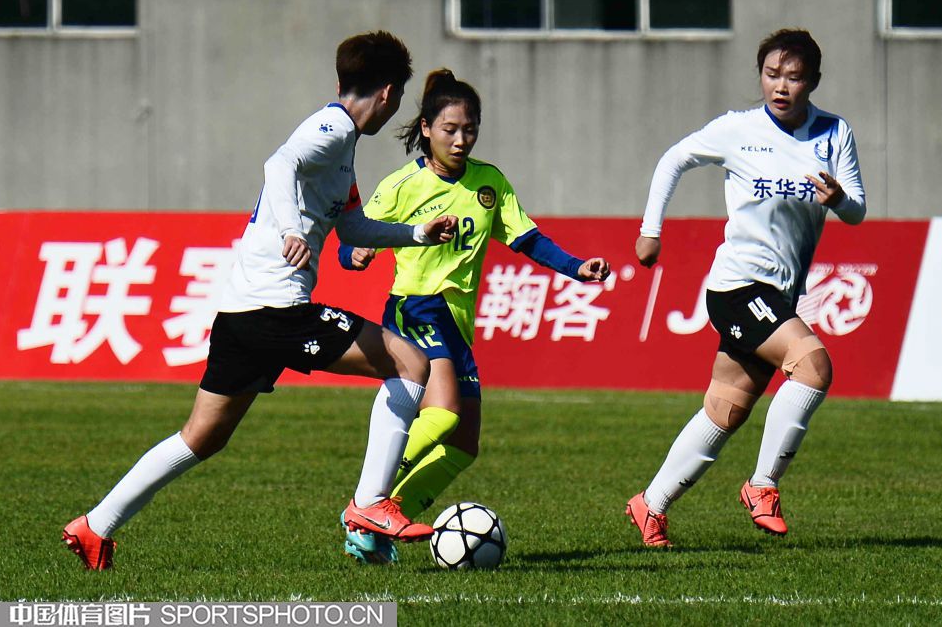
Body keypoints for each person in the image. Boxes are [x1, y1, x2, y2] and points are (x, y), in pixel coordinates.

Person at [62, 31, 460, 570]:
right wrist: (292, 229)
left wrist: (416, 234)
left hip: (243, 313)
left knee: (201, 437)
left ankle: (94, 525)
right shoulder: (332, 127)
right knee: (410, 362)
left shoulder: (341, 151)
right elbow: (278, 164)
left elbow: (353, 227)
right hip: (277, 310)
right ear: (388, 94)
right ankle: (369, 505)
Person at [336, 69, 611, 563]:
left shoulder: (489, 182)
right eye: (450, 129)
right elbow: (352, 237)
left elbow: (526, 238)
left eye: (469, 130)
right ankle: (366, 502)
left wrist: (576, 267)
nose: (461, 140)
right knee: (443, 413)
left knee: (463, 446)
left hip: (457, 320)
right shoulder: (403, 185)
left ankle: (377, 527)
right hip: (416, 307)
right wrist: (353, 255)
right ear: (426, 129)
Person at [626, 29, 866, 547]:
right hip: (738, 284)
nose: (780, 86)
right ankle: (762, 485)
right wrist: (651, 230)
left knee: (727, 408)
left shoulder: (834, 132)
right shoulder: (738, 129)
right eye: (771, 74)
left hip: (781, 293)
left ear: (813, 81)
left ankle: (650, 504)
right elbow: (673, 159)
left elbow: (857, 211)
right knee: (813, 367)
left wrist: (838, 200)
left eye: (793, 77)